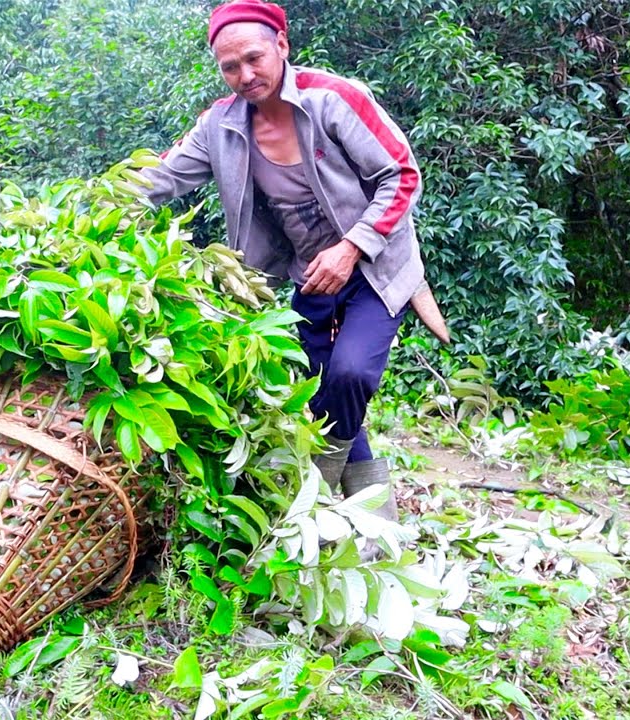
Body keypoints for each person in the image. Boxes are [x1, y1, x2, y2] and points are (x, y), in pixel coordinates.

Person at [142, 0, 446, 521]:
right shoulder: (221, 125)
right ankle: (379, 528)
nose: (245, 75)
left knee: (350, 376)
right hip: (309, 279)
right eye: (230, 67)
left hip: (376, 266)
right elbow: (160, 178)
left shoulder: (333, 99)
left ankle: (313, 498)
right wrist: (92, 206)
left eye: (255, 58)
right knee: (323, 394)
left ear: (282, 46)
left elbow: (402, 175)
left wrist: (352, 246)